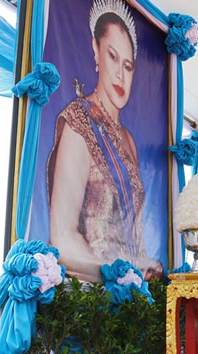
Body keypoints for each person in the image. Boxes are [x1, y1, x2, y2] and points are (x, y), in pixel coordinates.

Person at [47, 0, 162, 282]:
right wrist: (111, 273)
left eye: (129, 65)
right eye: (112, 57)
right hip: (90, 297)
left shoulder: (129, 141)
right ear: (96, 53)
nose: (121, 75)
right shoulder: (79, 122)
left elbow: (134, 237)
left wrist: (145, 268)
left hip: (130, 292)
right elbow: (62, 236)